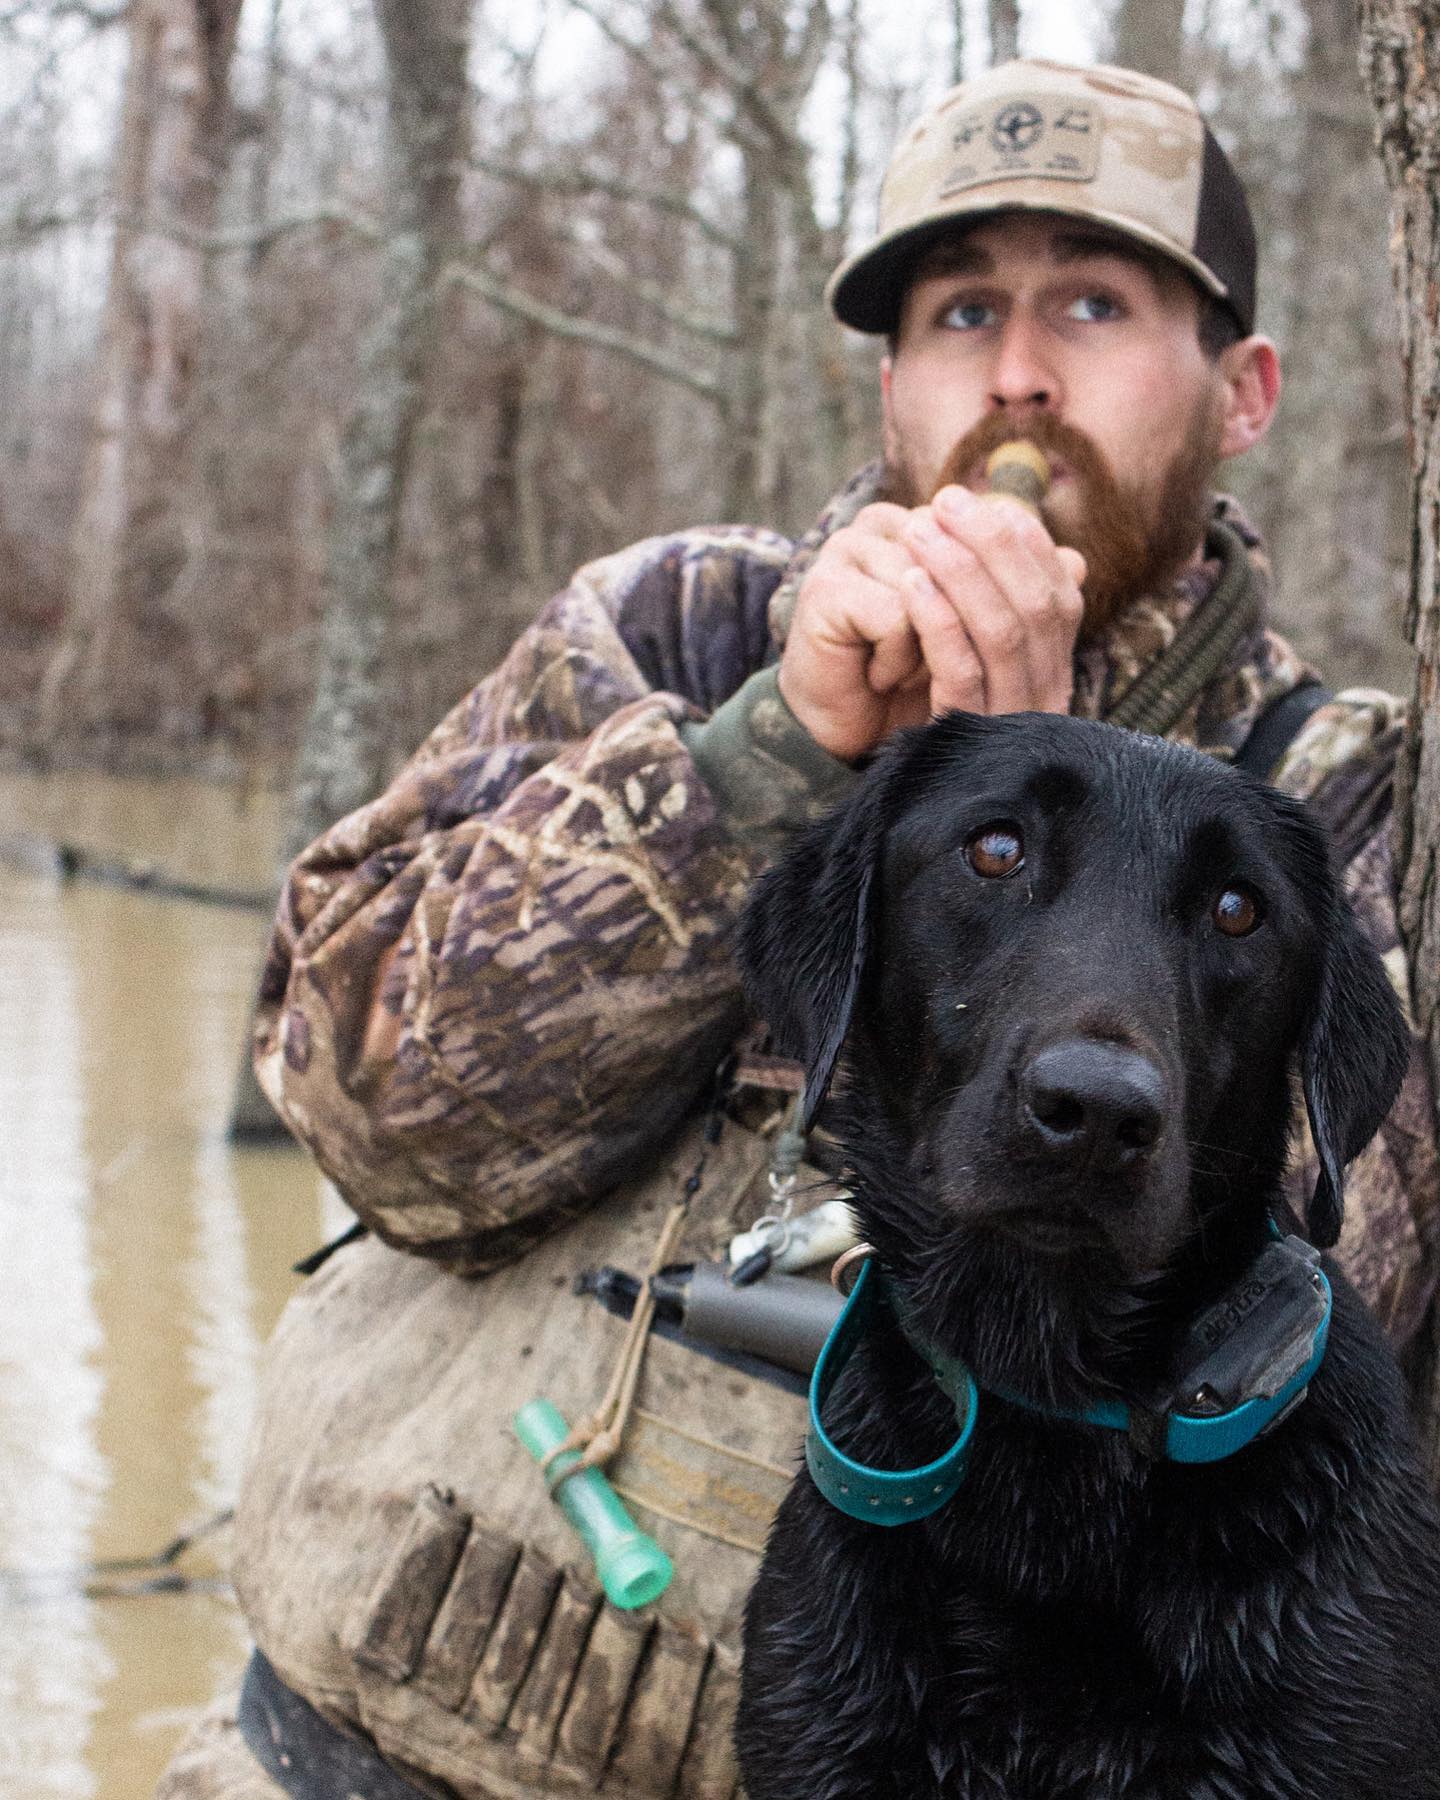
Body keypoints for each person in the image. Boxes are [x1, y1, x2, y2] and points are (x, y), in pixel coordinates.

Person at [158, 59, 1439, 1800]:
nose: (1017, 371)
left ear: (1246, 390)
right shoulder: (681, 628)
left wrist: (1056, 846)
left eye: (1094, 300)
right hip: (380, 1749)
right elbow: (364, 1113)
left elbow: (1346, 1318)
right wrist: (774, 755)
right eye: (959, 308)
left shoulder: (1344, 796)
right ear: (891, 380)